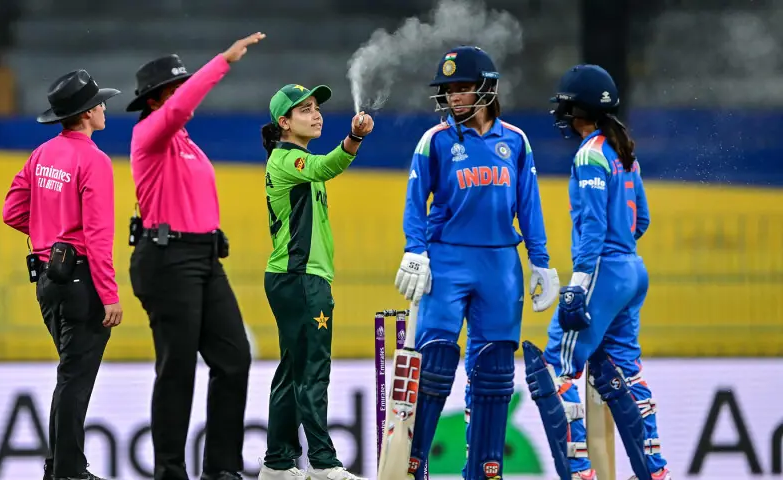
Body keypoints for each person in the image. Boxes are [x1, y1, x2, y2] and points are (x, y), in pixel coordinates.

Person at [394, 45, 560, 480]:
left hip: (500, 264)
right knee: (434, 361)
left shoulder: (516, 141)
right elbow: (415, 201)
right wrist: (415, 250)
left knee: (494, 370)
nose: (454, 97)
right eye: (449, 90)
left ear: (486, 89)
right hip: (447, 259)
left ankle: (485, 469)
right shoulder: (435, 140)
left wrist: (540, 261)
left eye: (463, 88)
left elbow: (529, 204)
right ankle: (413, 465)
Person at [125, 32, 265, 480]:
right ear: (154, 100)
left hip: (204, 258)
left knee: (234, 358)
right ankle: (169, 472)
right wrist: (223, 60)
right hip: (167, 260)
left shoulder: (185, 142)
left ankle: (222, 469)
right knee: (178, 368)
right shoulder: (149, 133)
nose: (184, 93)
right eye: (175, 87)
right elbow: (180, 108)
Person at [521, 64, 671, 480]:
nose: (562, 113)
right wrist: (620, 253)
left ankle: (580, 471)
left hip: (602, 272)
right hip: (631, 270)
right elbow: (641, 220)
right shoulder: (624, 152)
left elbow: (593, 227)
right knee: (626, 373)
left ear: (578, 109)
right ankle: (655, 472)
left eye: (566, 105)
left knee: (554, 370)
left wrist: (579, 284)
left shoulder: (590, 154)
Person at [2, 70, 123, 480]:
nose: (104, 107)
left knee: (69, 375)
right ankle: (69, 471)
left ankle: (60, 467)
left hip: (47, 280)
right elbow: (98, 235)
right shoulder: (95, 160)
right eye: (99, 103)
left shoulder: (41, 154)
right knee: (74, 379)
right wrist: (109, 293)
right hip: (81, 281)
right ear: (87, 113)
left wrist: (48, 233)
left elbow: (12, 211)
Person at [257, 84, 374, 480]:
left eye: (317, 107)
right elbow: (327, 166)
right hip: (301, 279)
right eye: (304, 109)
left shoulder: (293, 160)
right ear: (284, 122)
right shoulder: (288, 159)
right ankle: (323, 463)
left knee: (293, 371)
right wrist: (354, 137)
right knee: (312, 370)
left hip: (293, 278)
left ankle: (277, 463)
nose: (316, 114)